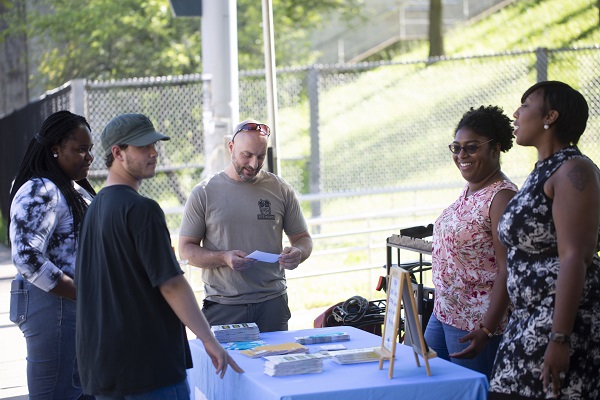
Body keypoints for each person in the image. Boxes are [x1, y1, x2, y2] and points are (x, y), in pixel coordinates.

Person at [75, 113, 242, 399]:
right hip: (148, 369)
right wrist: (208, 340)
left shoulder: (95, 207)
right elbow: (171, 284)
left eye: (154, 144)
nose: (153, 152)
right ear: (118, 152)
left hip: (104, 368)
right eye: (142, 147)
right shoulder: (142, 210)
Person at [489, 82, 600, 399]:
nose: (516, 113)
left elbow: (574, 256)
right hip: (525, 322)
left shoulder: (574, 171)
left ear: (550, 116)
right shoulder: (544, 170)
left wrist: (560, 338)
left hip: (559, 326)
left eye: (525, 105)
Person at [178, 119, 313, 333]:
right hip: (224, 306)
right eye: (246, 155)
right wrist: (223, 257)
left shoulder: (280, 189)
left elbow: (303, 238)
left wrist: (298, 252)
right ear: (231, 147)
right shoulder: (204, 193)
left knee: (273, 363)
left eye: (260, 156)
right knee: (226, 366)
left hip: (272, 304)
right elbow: (186, 250)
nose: (253, 164)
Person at [423, 105, 517, 379]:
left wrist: (487, 329)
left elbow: (507, 268)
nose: (461, 155)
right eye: (456, 148)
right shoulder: (471, 189)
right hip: (444, 312)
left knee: (468, 391)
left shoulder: (501, 197)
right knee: (429, 385)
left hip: (475, 321)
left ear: (494, 149)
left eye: (471, 147)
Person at [8, 110, 96, 399]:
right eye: (80, 149)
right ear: (55, 149)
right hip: (54, 304)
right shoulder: (41, 189)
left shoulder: (69, 187)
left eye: (90, 149)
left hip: (70, 304)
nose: (88, 157)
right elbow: (26, 257)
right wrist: (80, 293)